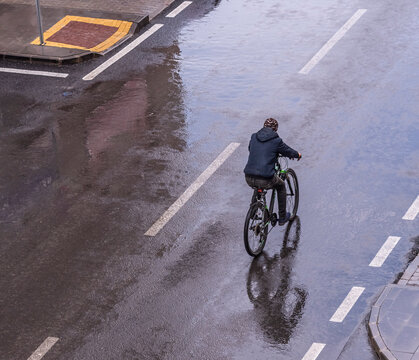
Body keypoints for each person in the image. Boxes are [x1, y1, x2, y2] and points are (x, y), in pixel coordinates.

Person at [244, 118, 301, 225]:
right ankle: (283, 217)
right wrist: (297, 155)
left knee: (257, 183)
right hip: (265, 179)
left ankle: (253, 210)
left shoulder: (254, 136)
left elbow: (250, 148)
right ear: (275, 129)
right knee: (280, 185)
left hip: (248, 177)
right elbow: (287, 151)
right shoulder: (276, 141)